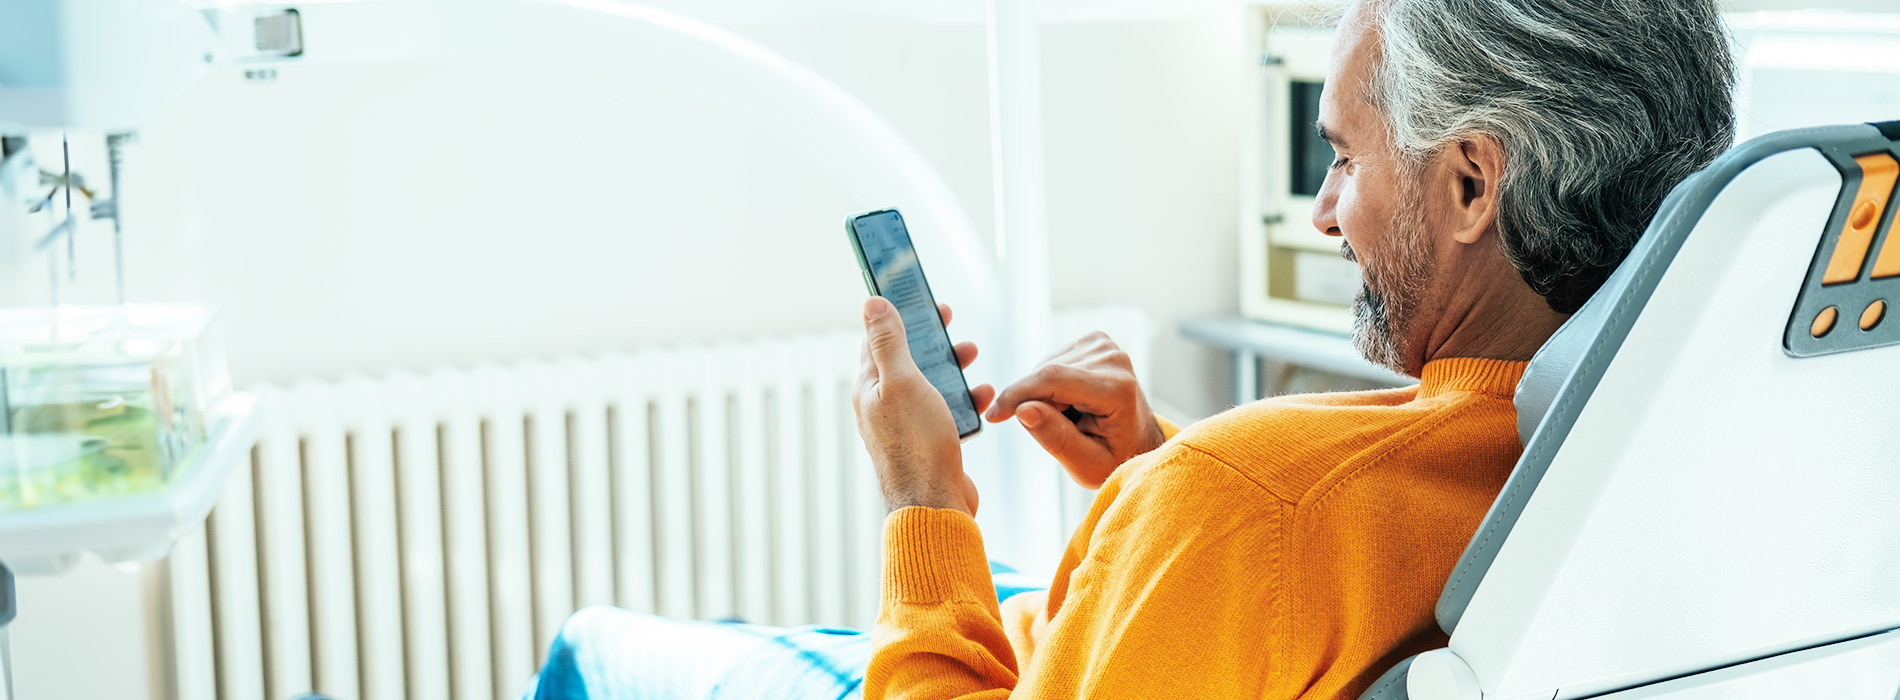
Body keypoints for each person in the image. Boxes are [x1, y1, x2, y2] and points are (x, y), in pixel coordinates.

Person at [527, 0, 1736, 697]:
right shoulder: (1658, 448)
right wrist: (1157, 465)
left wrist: (922, 500)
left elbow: (1265, 545)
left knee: (596, 642)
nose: (1325, 211)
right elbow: (1324, 589)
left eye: (1346, 158)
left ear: (1471, 181)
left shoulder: (1239, 508)